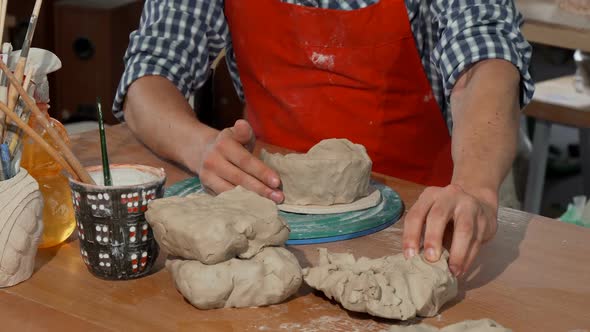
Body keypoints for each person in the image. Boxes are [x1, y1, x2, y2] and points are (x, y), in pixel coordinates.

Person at [113, 0, 534, 278]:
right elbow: (148, 76)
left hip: (426, 215)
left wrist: (474, 187)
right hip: (274, 218)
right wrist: (198, 145)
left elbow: (486, 60)